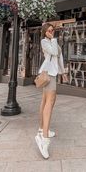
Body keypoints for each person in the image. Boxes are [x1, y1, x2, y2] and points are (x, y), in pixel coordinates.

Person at [35, 23, 67, 159]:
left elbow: (59, 57)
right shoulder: (44, 42)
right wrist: (52, 39)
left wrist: (63, 72)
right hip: (48, 74)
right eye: (49, 30)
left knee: (46, 101)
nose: (51, 32)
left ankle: (42, 129)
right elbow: (53, 52)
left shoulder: (53, 42)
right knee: (50, 101)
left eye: (52, 30)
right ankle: (44, 138)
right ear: (44, 32)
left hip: (54, 73)